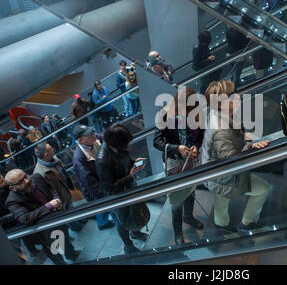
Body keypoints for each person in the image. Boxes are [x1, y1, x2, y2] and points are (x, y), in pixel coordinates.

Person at [201, 80, 271, 232]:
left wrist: (244, 138)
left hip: (215, 170)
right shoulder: (221, 129)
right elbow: (232, 161)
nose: (237, 97)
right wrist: (250, 147)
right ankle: (247, 223)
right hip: (224, 175)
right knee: (263, 189)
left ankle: (222, 226)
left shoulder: (220, 112)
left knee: (221, 201)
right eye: (231, 96)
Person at [153, 87, 205, 245]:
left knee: (191, 189)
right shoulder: (165, 114)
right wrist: (177, 148)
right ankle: (177, 232)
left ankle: (188, 217)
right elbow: (156, 141)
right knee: (176, 198)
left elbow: (200, 133)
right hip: (174, 160)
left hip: (191, 158)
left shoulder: (196, 111)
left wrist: (196, 145)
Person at [5, 169, 80, 263]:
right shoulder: (12, 201)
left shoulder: (36, 177)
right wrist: (49, 205)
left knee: (64, 238)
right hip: (44, 229)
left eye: (25, 176)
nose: (27, 180)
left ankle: (71, 254)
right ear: (12, 188)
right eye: (21, 181)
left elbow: (51, 189)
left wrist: (57, 200)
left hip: (57, 217)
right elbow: (26, 218)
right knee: (52, 249)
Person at [96, 124, 148, 254]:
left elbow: (125, 160)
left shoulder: (118, 148)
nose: (128, 146)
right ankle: (128, 246)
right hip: (118, 196)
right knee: (122, 221)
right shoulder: (103, 160)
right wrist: (130, 176)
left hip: (128, 187)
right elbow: (109, 188)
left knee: (134, 211)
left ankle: (136, 232)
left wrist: (133, 163)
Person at [72, 125, 115, 231]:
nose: (93, 134)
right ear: (81, 140)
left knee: (101, 207)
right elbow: (90, 183)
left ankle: (102, 222)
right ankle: (106, 223)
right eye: (88, 134)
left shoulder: (95, 138)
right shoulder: (79, 158)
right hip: (96, 189)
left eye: (91, 131)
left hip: (104, 181)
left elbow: (107, 138)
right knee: (108, 206)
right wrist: (107, 191)